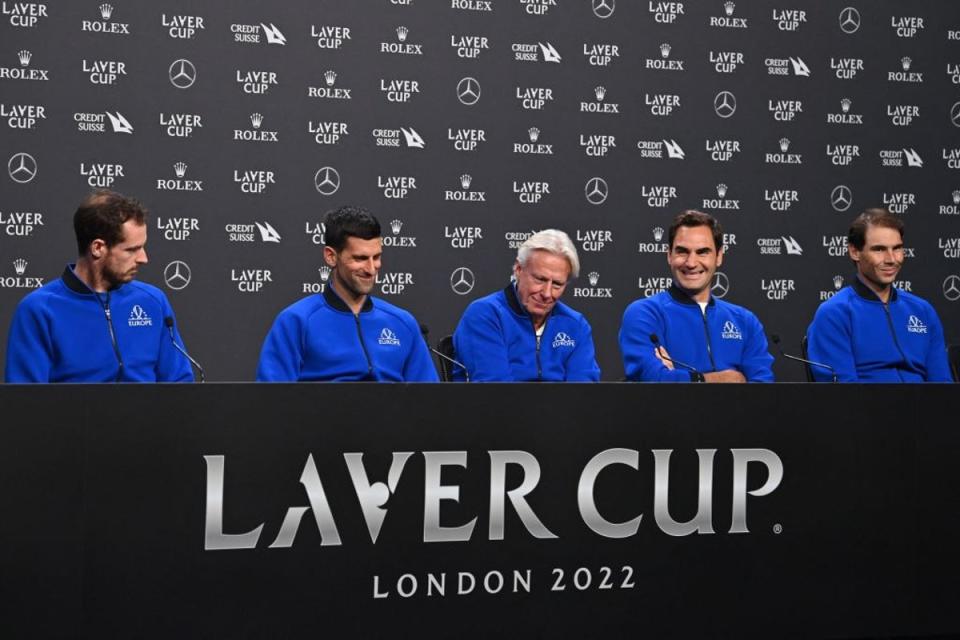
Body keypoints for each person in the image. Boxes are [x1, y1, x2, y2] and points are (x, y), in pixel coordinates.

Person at [5, 190, 194, 383]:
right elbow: (25, 402)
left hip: (147, 413)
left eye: (142, 247)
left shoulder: (153, 301)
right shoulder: (39, 310)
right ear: (97, 248)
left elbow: (180, 385)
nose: (144, 258)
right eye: (132, 249)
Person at [256, 205, 438, 382]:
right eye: (360, 258)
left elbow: (430, 402)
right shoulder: (296, 321)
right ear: (331, 256)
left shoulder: (403, 322)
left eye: (376, 257)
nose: (371, 269)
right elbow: (271, 402)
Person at [619, 210, 774, 382]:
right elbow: (654, 381)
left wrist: (677, 378)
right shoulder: (645, 313)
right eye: (682, 251)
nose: (691, 263)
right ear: (669, 255)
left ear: (719, 257)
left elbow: (762, 390)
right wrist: (724, 379)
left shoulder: (745, 322)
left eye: (702, 252)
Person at [806, 208, 952, 382]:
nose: (891, 259)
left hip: (924, 408)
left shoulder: (923, 311)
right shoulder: (834, 313)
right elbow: (842, 396)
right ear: (854, 252)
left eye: (897, 248)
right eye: (879, 250)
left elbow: (942, 386)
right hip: (865, 408)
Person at [452, 229, 600, 381]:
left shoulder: (576, 325)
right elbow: (493, 391)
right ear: (518, 270)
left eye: (557, 284)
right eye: (540, 279)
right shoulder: (485, 315)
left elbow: (583, 393)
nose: (547, 293)